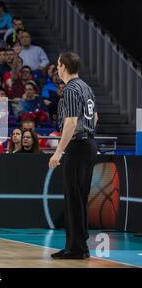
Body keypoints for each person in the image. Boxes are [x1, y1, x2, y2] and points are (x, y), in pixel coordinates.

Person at [49, 52, 98, 260]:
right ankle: (79, 246)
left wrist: (58, 152)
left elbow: (70, 122)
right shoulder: (86, 87)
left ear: (63, 67)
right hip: (89, 145)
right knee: (79, 198)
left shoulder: (70, 89)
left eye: (58, 64)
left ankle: (75, 248)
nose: (57, 68)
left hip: (78, 147)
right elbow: (95, 117)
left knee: (73, 199)